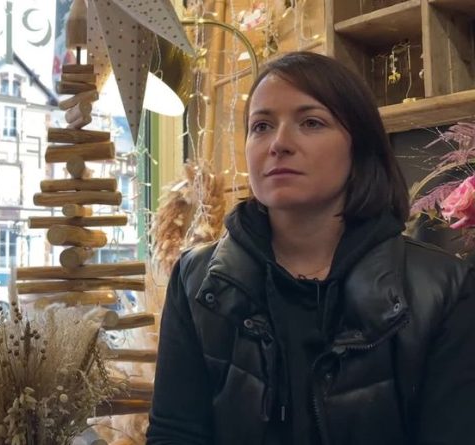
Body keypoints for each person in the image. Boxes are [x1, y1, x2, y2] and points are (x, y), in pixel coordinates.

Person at [146, 51, 475, 445]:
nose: (279, 144)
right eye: (262, 126)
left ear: (360, 146)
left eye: (311, 122)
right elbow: (174, 433)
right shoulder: (197, 281)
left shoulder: (444, 289)